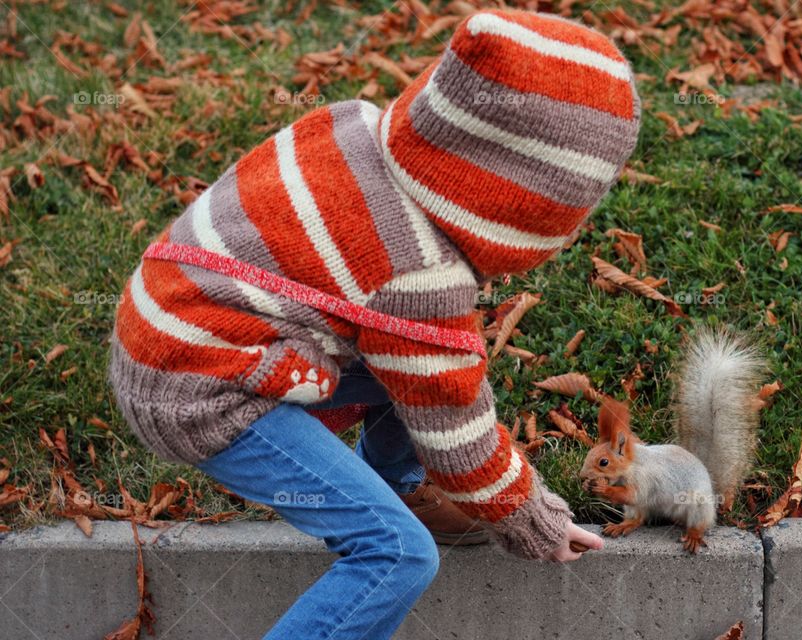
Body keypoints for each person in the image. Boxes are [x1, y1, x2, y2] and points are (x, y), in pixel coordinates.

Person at [108, 9, 641, 638]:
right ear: (529, 197)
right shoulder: (416, 275)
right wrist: (531, 519)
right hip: (199, 387)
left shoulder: (351, 124)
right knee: (398, 556)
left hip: (171, 321)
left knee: (424, 366)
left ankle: (398, 484)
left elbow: (436, 374)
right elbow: (456, 429)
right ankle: (394, 514)